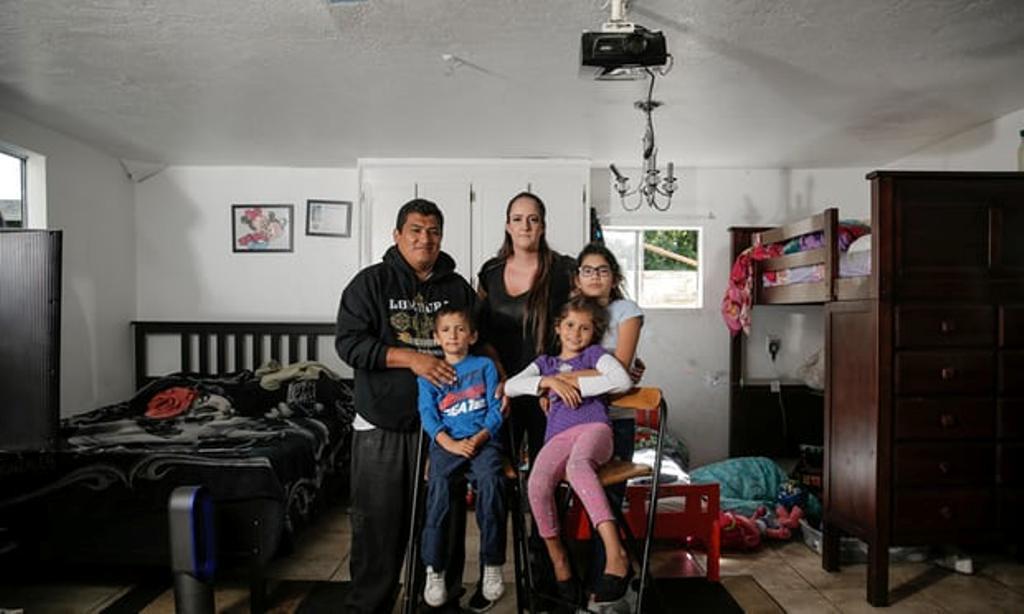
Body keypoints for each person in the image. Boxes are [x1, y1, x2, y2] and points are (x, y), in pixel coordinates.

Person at [335, 198, 478, 614]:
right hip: (383, 423)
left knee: (443, 522)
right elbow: (349, 344)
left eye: (433, 230)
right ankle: (369, 605)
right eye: (415, 229)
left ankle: (439, 603)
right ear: (397, 235)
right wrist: (412, 358)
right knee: (377, 525)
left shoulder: (457, 288)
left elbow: (478, 340)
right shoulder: (370, 284)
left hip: (445, 427)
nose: (425, 238)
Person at [504, 297, 634, 608]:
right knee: (536, 483)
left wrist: (570, 384)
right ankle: (559, 560)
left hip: (595, 430)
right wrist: (548, 382)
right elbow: (509, 386)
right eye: (570, 325)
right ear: (558, 327)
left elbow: (622, 380)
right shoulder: (545, 363)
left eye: (585, 328)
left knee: (577, 468)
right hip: (558, 437)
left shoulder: (594, 355)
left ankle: (616, 554)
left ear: (594, 333)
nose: (576, 333)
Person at [417, 305, 506, 608]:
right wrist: (450, 445)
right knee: (438, 486)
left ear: (473, 335)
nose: (453, 335)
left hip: (484, 440)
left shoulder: (484, 366)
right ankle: (435, 568)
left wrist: (480, 437)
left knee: (492, 482)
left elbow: (496, 410)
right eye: (446, 330)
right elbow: (428, 416)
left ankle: (492, 564)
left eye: (460, 329)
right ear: (436, 337)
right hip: (447, 444)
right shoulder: (428, 373)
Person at [572, 242, 646, 590]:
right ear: (577, 278)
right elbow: (560, 363)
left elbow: (620, 376)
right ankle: (581, 582)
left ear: (614, 277)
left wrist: (566, 378)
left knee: (609, 499)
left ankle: (608, 587)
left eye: (602, 270)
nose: (595, 276)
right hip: (574, 417)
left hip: (615, 418)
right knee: (578, 500)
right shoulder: (572, 312)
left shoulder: (626, 310)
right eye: (587, 270)